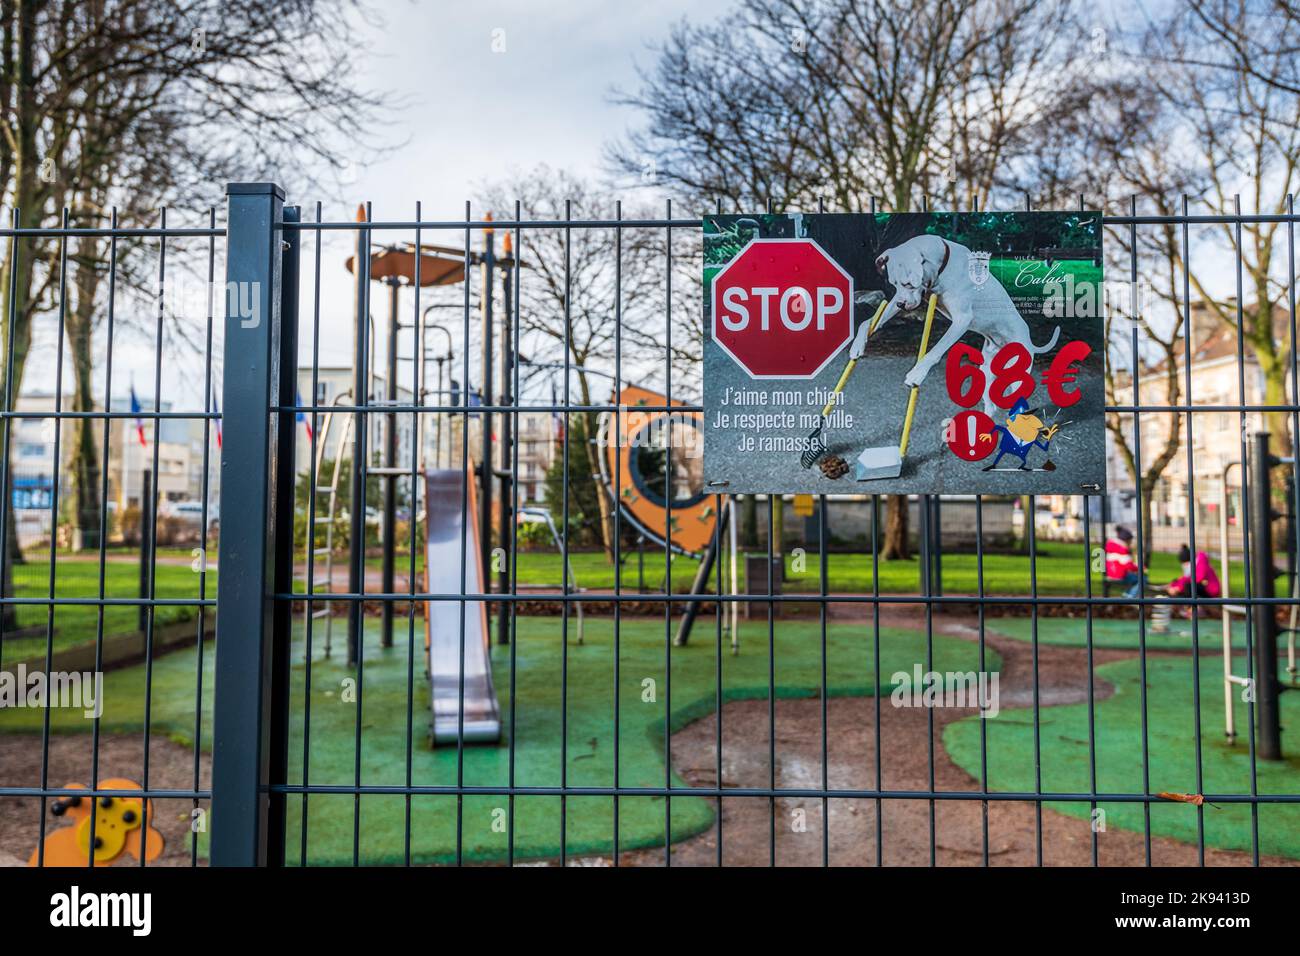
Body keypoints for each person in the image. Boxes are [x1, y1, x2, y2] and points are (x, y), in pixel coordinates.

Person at [1168, 544, 1221, 616]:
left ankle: (1192, 610)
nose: (1184, 566)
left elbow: (1197, 578)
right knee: (1182, 589)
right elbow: (1186, 578)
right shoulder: (1196, 564)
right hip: (1202, 587)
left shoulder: (1201, 563)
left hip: (1211, 591)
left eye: (1185, 564)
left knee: (1188, 587)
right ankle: (1184, 609)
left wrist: (1178, 588)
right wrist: (1174, 585)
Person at [1105, 526, 1143, 598]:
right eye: (1130, 541)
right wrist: (1140, 568)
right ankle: (1129, 597)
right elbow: (1128, 565)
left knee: (1134, 579)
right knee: (1141, 580)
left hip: (1111, 573)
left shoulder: (1113, 547)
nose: (1131, 543)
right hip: (1119, 575)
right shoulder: (1122, 549)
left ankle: (1126, 595)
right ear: (1126, 540)